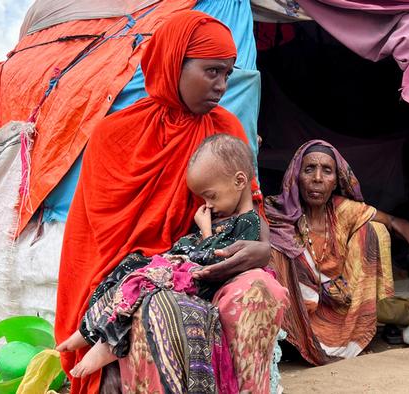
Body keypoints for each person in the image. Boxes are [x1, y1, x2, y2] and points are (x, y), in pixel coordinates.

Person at [55, 11, 288, 394]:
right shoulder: (114, 134)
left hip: (205, 264)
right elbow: (98, 244)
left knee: (260, 290)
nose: (221, 86)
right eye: (211, 71)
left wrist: (261, 248)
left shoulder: (225, 129)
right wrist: (156, 274)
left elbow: (251, 204)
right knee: (161, 310)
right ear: (173, 63)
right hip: (132, 273)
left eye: (228, 74)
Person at [57, 134, 262, 379]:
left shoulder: (249, 222)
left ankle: (109, 344)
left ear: (240, 181)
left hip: (193, 279)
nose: (208, 205)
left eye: (211, 196)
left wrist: (205, 231)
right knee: (129, 266)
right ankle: (89, 329)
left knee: (143, 282)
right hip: (179, 266)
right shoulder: (223, 215)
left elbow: (216, 261)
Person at [265, 140, 409, 366]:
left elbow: (392, 221)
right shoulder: (278, 214)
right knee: (275, 248)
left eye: (327, 171)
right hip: (298, 313)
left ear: (335, 182)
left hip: (342, 302)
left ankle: (353, 334)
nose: (318, 179)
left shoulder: (341, 209)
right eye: (309, 169)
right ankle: (297, 341)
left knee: (374, 229)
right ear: (296, 176)